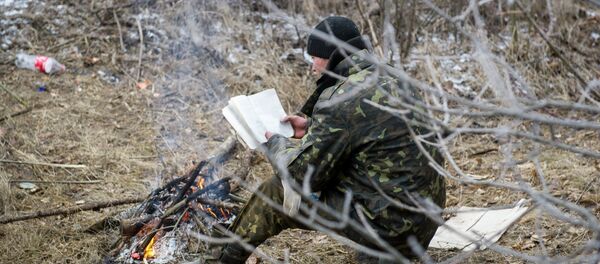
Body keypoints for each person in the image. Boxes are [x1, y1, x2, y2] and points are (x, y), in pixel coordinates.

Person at [218, 16, 446, 263]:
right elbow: (365, 134)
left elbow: (301, 177)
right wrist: (313, 126)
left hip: (389, 230)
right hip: (425, 219)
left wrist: (275, 144)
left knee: (275, 191)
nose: (312, 67)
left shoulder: (341, 99)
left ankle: (220, 260)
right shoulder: (393, 76)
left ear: (332, 55)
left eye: (313, 57)